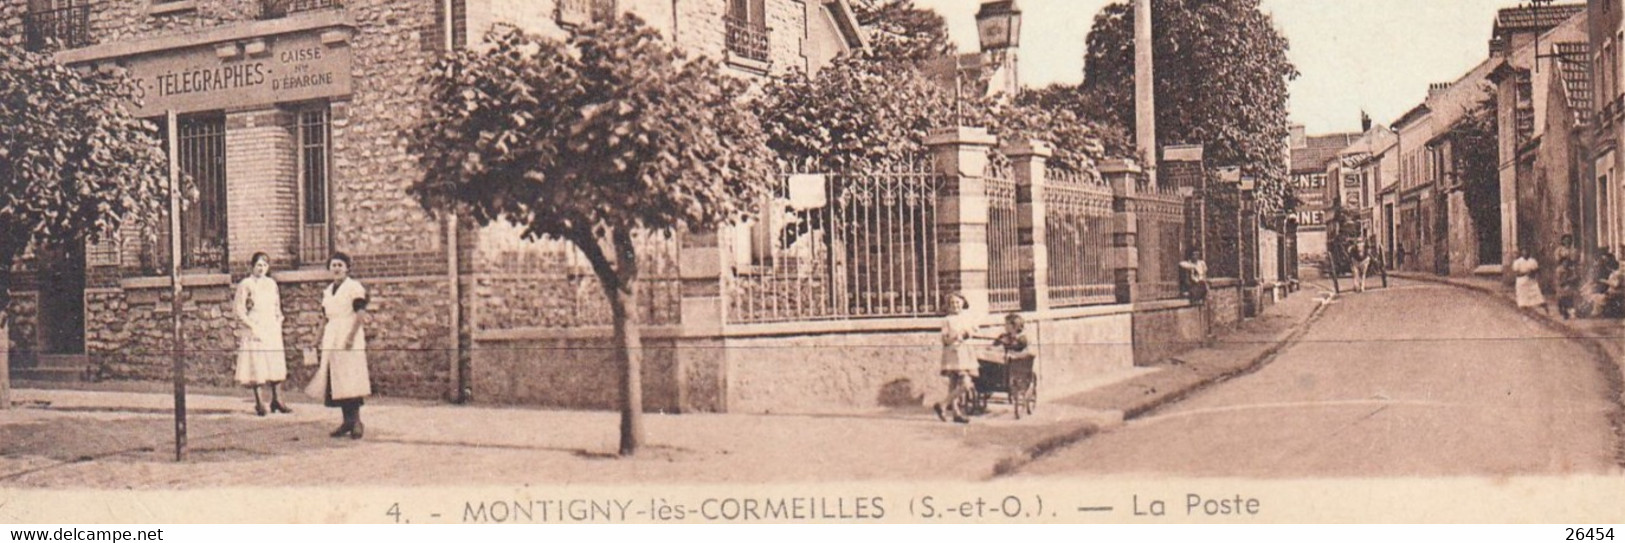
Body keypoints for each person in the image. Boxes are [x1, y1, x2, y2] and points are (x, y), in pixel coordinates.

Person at [305, 252, 371, 439]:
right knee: (336, 379)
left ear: (347, 268)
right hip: (332, 336)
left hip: (348, 334)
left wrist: (350, 337)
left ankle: (357, 421)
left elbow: (360, 314)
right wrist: (315, 340)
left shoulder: (353, 287)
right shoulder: (328, 291)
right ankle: (346, 421)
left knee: (350, 378)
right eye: (333, 265)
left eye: (340, 265)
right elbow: (324, 318)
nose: (336, 269)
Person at [234, 252, 290, 416]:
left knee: (274, 361)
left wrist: (278, 320)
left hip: (270, 326)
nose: (262, 268)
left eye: (265, 265)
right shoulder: (246, 284)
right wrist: (251, 326)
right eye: (259, 265)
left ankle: (277, 400)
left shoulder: (271, 284)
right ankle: (260, 402)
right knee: (256, 362)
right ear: (252, 266)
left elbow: (276, 305)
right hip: (255, 327)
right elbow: (239, 310)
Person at [932, 293, 977, 424]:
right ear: (948, 306)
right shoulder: (947, 320)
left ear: (963, 303)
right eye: (952, 303)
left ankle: (956, 413)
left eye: (957, 302)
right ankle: (943, 404)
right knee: (965, 383)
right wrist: (955, 337)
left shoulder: (967, 317)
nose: (955, 305)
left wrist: (968, 332)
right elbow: (944, 339)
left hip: (966, 351)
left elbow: (974, 329)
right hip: (954, 352)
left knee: (954, 383)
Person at [1512, 249, 1547, 314]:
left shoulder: (1533, 261)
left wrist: (1534, 274)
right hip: (1521, 282)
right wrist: (1525, 273)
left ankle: (1546, 310)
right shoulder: (1518, 262)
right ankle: (1524, 313)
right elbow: (1516, 274)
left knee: (1537, 296)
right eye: (1524, 251)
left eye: (1527, 251)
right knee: (1522, 299)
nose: (1525, 253)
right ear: (1522, 252)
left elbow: (1537, 270)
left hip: (1531, 281)